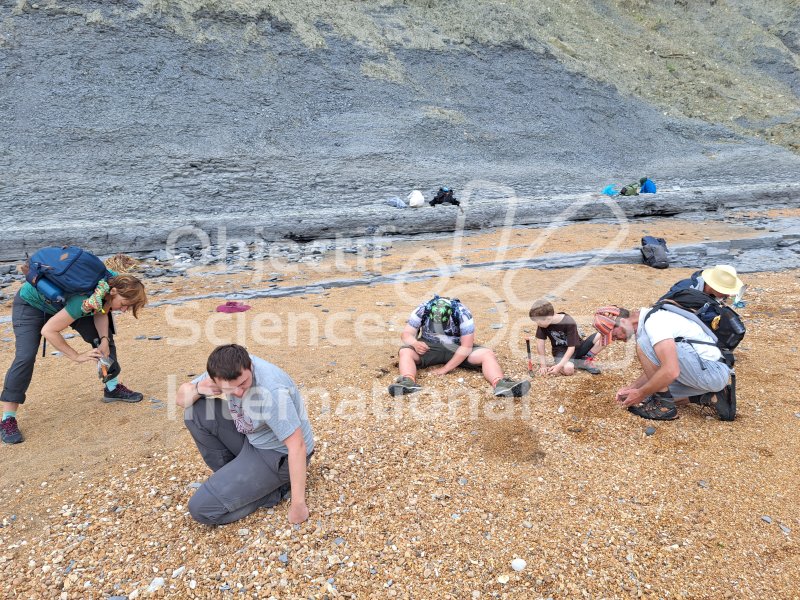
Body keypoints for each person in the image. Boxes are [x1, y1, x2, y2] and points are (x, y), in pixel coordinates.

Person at [1, 271, 147, 445]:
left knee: (103, 339)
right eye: (124, 305)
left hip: (68, 304)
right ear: (114, 292)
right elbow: (49, 331)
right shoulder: (86, 297)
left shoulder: (107, 286)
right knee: (25, 357)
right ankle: (7, 419)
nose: (123, 310)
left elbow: (102, 310)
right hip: (31, 305)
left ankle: (112, 387)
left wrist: (104, 340)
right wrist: (76, 356)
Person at [176, 344, 314, 526]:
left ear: (250, 366)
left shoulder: (271, 391)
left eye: (243, 383)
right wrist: (200, 388)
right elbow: (180, 400)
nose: (239, 392)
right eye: (230, 389)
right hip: (251, 437)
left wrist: (298, 504)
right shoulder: (225, 369)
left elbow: (298, 446)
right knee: (195, 412)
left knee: (202, 509)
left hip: (278, 454)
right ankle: (241, 481)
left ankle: (272, 492)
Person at [594, 304, 731, 421]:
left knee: (644, 345)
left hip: (712, 370)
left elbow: (671, 371)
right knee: (652, 393)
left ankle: (665, 408)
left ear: (623, 322)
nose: (618, 340)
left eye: (615, 335)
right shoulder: (648, 322)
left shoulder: (654, 323)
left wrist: (640, 392)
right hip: (707, 372)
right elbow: (658, 367)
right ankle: (711, 396)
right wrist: (634, 387)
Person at [388, 295, 530, 397]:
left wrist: (446, 369)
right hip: (429, 347)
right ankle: (408, 381)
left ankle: (500, 384)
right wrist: (414, 343)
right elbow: (406, 334)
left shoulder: (463, 313)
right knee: (405, 352)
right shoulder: (422, 310)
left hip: (457, 348)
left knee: (487, 354)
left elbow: (466, 346)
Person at [529, 300, 602, 375]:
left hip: (577, 348)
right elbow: (540, 344)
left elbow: (571, 348)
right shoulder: (543, 325)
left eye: (538, 322)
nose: (537, 324)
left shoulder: (568, 321)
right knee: (568, 370)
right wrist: (543, 365)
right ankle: (577, 362)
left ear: (548, 318)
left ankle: (585, 360)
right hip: (561, 351)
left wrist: (558, 367)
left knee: (603, 335)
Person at [667, 264, 744, 302]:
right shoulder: (684, 290)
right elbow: (663, 304)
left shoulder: (712, 294)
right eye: (725, 290)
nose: (728, 295)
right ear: (713, 286)